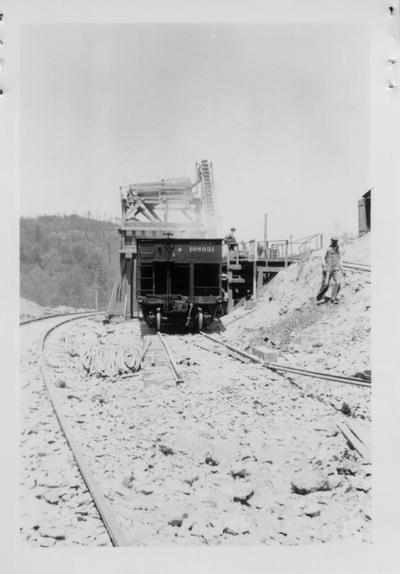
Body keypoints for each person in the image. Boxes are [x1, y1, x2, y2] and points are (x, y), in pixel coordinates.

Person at [316, 235, 344, 304]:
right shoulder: (327, 248)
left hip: (336, 268)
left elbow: (340, 260)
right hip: (328, 269)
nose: (335, 242)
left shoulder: (338, 249)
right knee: (326, 284)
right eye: (333, 241)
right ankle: (320, 297)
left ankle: (333, 298)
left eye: (336, 241)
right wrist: (324, 266)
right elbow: (322, 258)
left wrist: (343, 270)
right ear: (331, 241)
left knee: (338, 283)